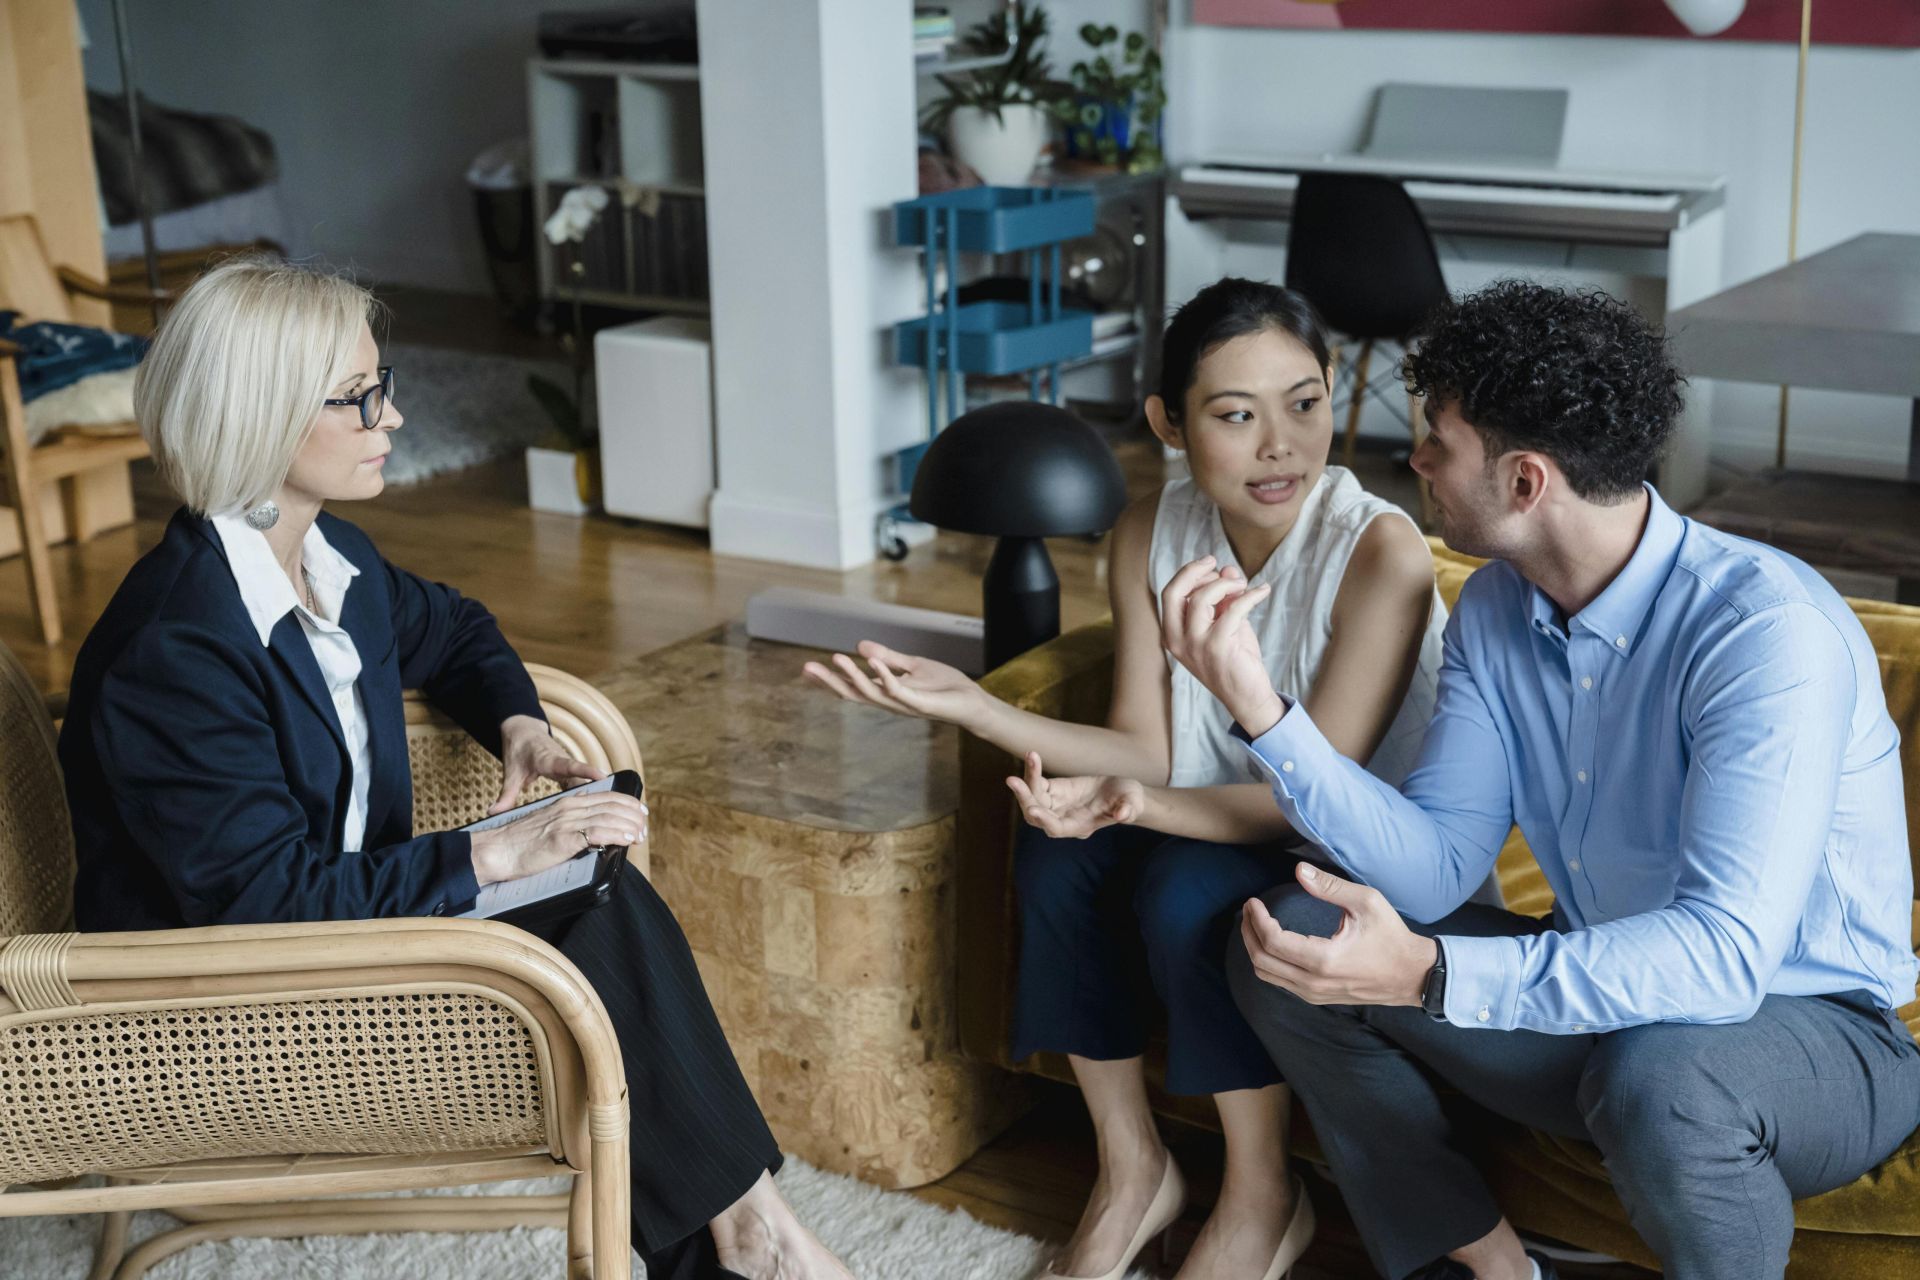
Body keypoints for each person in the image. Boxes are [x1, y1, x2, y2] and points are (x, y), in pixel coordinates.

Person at [58, 257, 855, 1280]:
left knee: (595, 893)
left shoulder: (326, 557)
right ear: (259, 415)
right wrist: (498, 848)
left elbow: (459, 631)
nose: (392, 416)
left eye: (380, 385)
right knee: (573, 895)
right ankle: (753, 1240)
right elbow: (262, 904)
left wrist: (519, 725)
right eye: (360, 396)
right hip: (222, 1005)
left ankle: (750, 1236)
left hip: (343, 932)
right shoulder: (176, 648)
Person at [1150, 279, 1920, 1280]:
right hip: (1612, 1005)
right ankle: (1490, 1263)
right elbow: (1434, 871)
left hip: (1819, 1037)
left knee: (1667, 1072)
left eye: (1438, 440)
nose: (1412, 458)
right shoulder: (1494, 610)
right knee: (1289, 947)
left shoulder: (1763, 635)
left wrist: (1432, 972)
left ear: (1524, 482)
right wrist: (1265, 713)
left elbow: (1726, 958)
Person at [805, 277, 1468, 1280]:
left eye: (1305, 401)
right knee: (1055, 850)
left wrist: (1138, 805)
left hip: (1346, 849)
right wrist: (975, 705)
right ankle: (1133, 1165)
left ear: (1336, 390)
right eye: (1236, 415)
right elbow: (1146, 747)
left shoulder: (1379, 551)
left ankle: (1260, 1195)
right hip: (1208, 806)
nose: (1280, 444)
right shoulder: (1151, 533)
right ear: (1167, 421)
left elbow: (1310, 798)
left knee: (1179, 889)